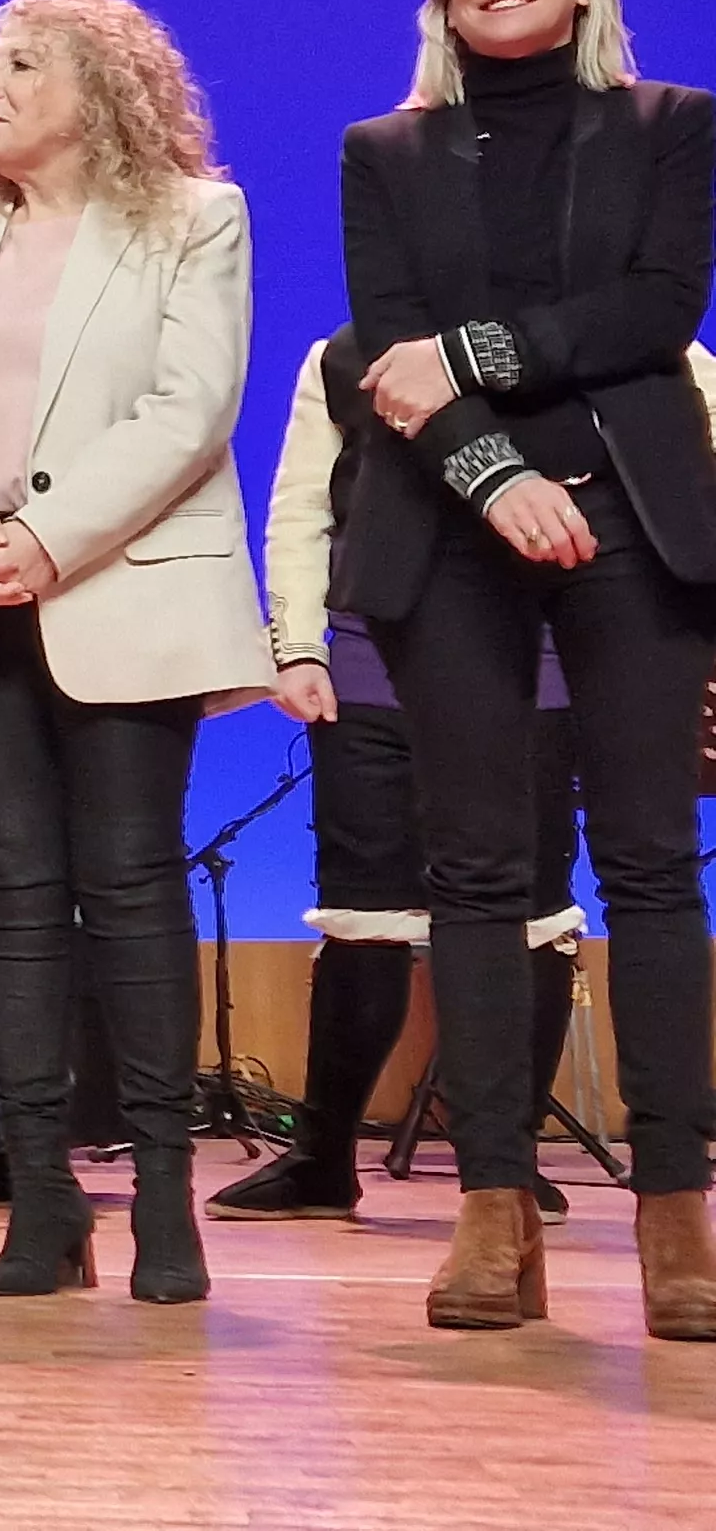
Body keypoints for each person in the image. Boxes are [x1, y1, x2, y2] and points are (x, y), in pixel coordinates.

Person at [336, 0, 715, 1339]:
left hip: (635, 523)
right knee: (480, 878)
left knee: (651, 869)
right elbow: (386, 352)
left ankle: (677, 1212)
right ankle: (495, 1212)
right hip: (451, 530)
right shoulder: (386, 150)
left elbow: (654, 310)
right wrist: (494, 476)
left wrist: (480, 350)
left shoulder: (673, 126)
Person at [0, 0, 266, 1306]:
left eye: (25, 65)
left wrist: (46, 540)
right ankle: (42, 1199)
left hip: (118, 594)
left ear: (103, 92)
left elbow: (189, 406)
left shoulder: (194, 222)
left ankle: (160, 1201)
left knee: (131, 891)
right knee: (16, 907)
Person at [214, 330, 617, 1227]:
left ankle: (503, 1161)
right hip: (369, 654)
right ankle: (322, 1161)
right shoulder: (340, 356)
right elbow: (301, 509)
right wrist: (296, 645)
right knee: (363, 911)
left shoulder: (599, 339)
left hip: (540, 659)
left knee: (532, 911)